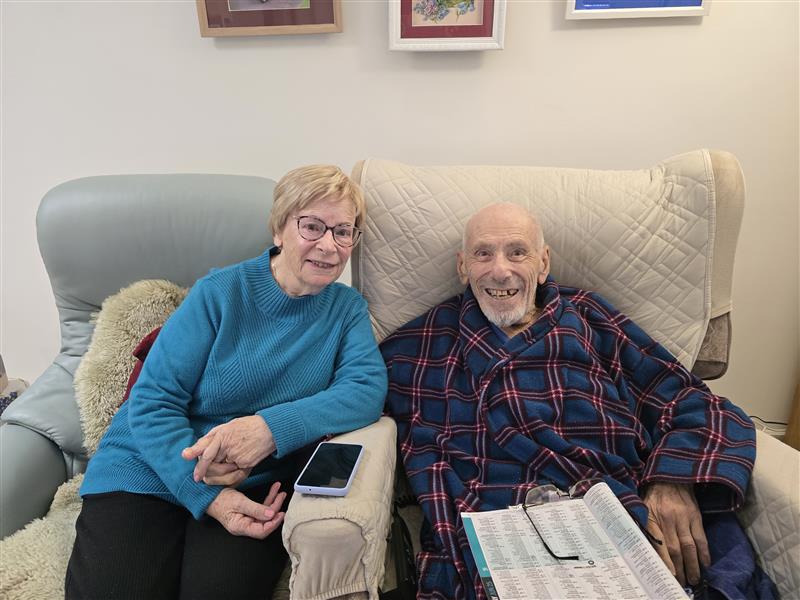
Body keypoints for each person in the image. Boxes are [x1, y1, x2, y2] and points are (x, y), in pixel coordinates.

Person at [381, 202, 770, 600]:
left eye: (518, 252)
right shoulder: (420, 344)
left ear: (543, 263)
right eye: (483, 253)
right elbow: (349, 385)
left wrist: (671, 480)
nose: (500, 270)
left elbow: (688, 398)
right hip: (497, 523)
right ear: (463, 267)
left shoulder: (589, 317)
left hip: (613, 508)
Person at [66, 165, 387, 600]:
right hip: (148, 467)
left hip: (254, 481)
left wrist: (268, 429)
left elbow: (365, 390)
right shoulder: (219, 293)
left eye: (343, 231)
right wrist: (205, 494)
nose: (328, 245)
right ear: (279, 229)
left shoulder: (346, 309)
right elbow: (152, 401)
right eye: (312, 226)